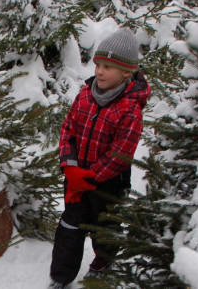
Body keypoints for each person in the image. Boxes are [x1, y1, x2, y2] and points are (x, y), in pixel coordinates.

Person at [48, 28, 151, 289]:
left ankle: (104, 260)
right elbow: (68, 130)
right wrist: (70, 169)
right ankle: (61, 277)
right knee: (70, 226)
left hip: (107, 183)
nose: (101, 72)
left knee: (104, 227)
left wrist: (90, 178)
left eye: (108, 67)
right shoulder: (85, 95)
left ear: (127, 72)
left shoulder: (130, 109)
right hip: (75, 177)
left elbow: (121, 153)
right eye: (98, 65)